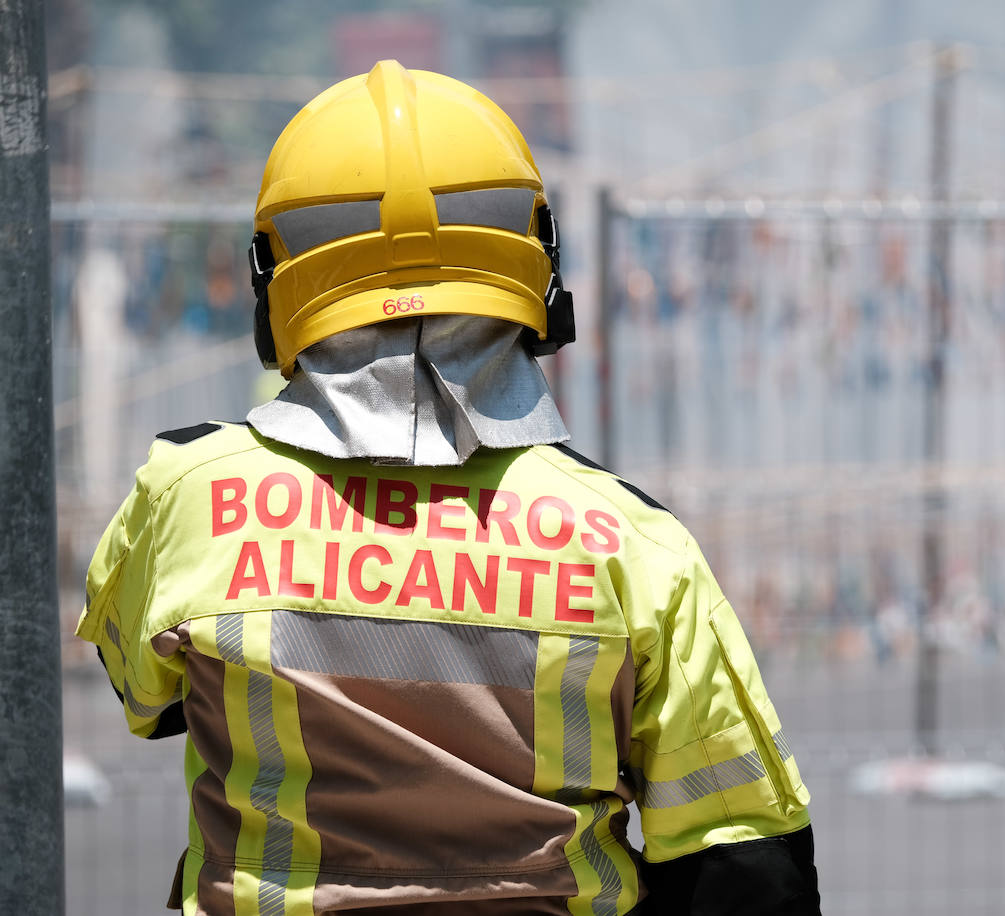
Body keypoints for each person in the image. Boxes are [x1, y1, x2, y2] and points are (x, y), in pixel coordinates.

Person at [77, 60, 820, 916]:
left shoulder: (186, 497)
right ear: (534, 265)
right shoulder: (629, 541)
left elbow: (149, 699)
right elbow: (744, 863)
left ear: (273, 277)